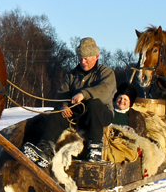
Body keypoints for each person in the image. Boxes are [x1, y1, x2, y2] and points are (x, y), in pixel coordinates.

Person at [24, 37, 116, 165]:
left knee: (94, 104)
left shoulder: (106, 73)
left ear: (96, 56)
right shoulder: (72, 74)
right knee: (56, 113)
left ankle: (95, 149)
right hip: (77, 113)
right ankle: (46, 149)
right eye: (81, 58)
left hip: (101, 113)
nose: (83, 62)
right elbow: (62, 92)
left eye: (86, 58)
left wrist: (83, 94)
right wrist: (63, 105)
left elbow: (105, 90)